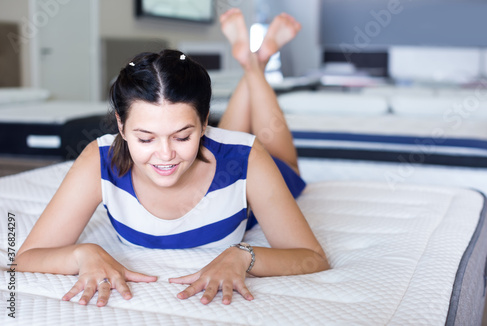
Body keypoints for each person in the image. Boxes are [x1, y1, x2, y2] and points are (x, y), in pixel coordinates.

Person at [15, 8, 329, 307]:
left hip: (247, 168)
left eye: (181, 136)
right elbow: (26, 258)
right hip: (218, 158)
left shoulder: (249, 156)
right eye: (145, 138)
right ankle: (253, 60)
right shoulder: (100, 160)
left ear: (205, 122)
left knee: (280, 161)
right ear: (122, 126)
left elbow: (311, 257)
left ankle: (255, 64)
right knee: (216, 148)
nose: (165, 155)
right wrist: (83, 254)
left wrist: (243, 254)